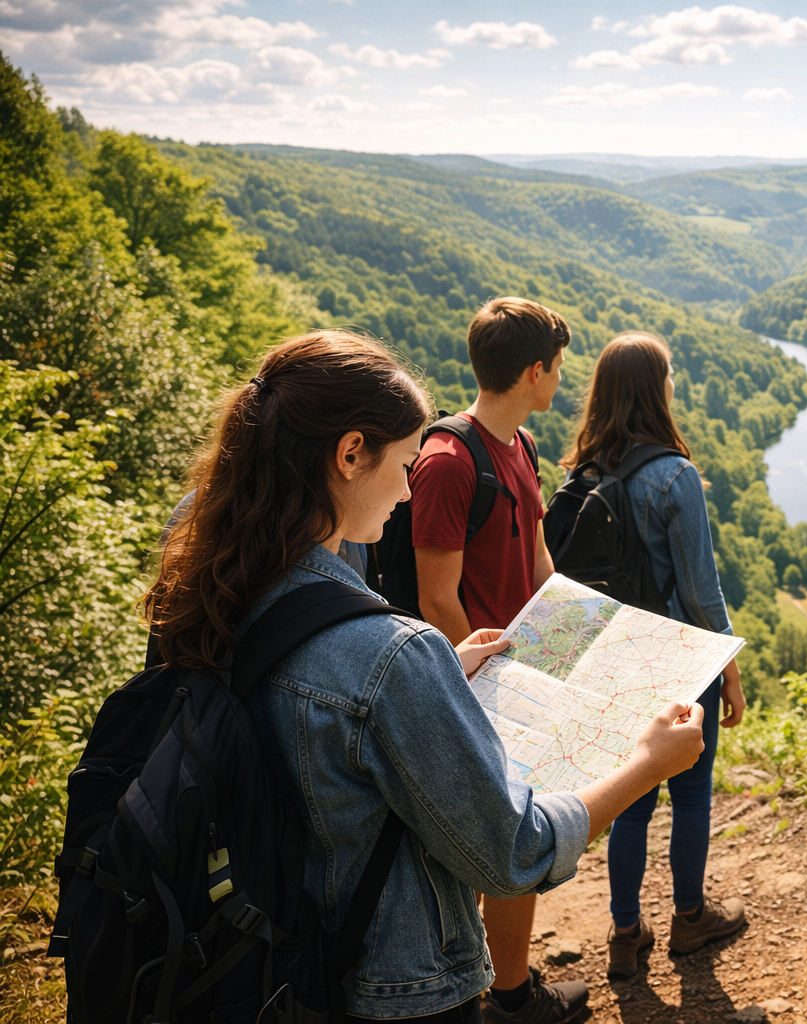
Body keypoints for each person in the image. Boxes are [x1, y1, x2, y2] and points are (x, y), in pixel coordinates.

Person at [144, 330, 707, 1022]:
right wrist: (648, 763)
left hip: (247, 950)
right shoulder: (389, 659)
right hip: (388, 986)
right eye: (405, 463)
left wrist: (441, 668)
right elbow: (512, 852)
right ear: (350, 454)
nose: (411, 488)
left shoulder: (205, 562)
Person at [558, 332, 749, 980]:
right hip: (678, 662)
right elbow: (701, 591)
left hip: (612, 661)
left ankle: (623, 932)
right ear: (654, 388)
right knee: (691, 797)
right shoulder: (674, 476)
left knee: (631, 803)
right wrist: (728, 668)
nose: (674, 384)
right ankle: (690, 920)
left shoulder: (580, 475)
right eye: (669, 374)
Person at [407, 298, 572, 1021]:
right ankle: (500, 997)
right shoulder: (448, 462)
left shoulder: (523, 445)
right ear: (534, 371)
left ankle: (504, 986)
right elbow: (437, 598)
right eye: (559, 366)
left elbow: (534, 555)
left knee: (513, 837)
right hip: (477, 682)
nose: (561, 378)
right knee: (501, 840)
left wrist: (580, 630)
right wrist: (490, 678)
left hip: (527, 669)